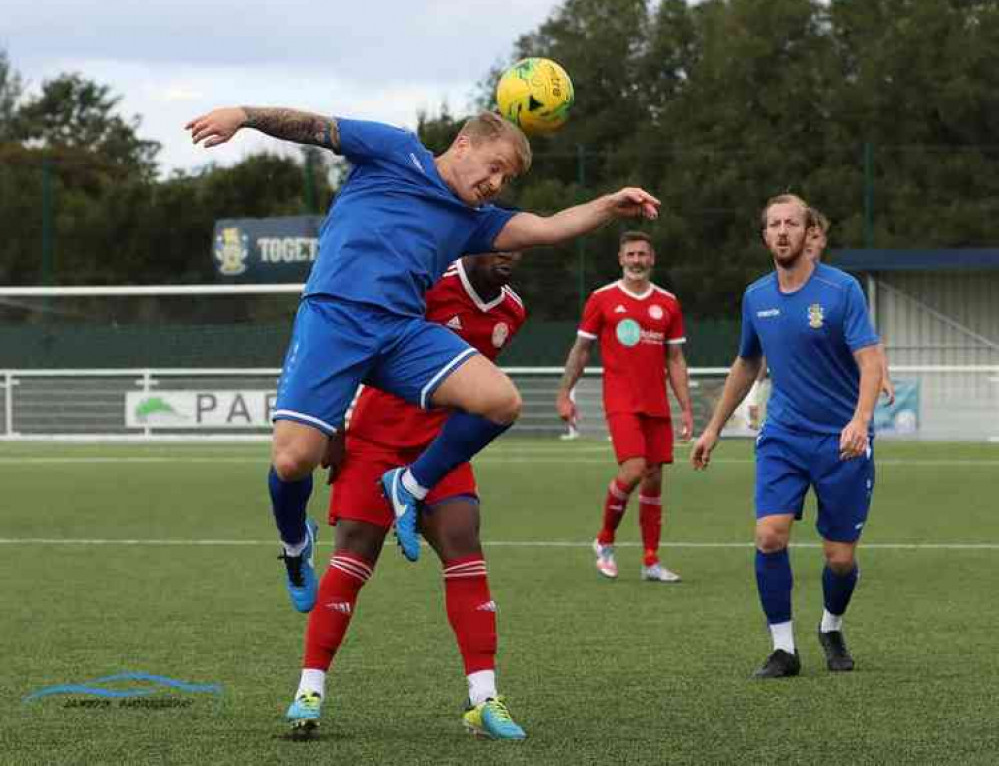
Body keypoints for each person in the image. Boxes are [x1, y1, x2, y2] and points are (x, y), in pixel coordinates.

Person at [187, 107, 659, 611]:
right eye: (494, 167)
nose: (496, 183)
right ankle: (295, 544)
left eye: (506, 177)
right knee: (294, 458)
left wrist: (611, 204)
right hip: (334, 320)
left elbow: (547, 227)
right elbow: (314, 128)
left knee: (501, 401)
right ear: (463, 143)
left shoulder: (473, 221)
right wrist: (242, 115)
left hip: (400, 333)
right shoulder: (396, 149)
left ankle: (409, 484)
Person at [285, 252, 528, 739]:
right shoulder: (426, 286)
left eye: (518, 246)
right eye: (498, 244)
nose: (510, 254)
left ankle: (484, 698)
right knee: (354, 552)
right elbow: (356, 342)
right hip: (375, 438)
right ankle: (309, 691)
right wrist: (333, 423)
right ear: (470, 244)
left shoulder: (512, 312)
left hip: (439, 451)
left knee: (464, 545)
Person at [690, 194, 883, 679]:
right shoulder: (756, 297)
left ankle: (831, 626)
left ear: (806, 231)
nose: (781, 231)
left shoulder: (842, 291)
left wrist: (860, 420)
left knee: (839, 559)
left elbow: (870, 360)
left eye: (790, 223)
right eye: (773, 224)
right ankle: (783, 650)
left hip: (842, 440)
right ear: (764, 236)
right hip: (784, 436)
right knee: (769, 536)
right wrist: (713, 427)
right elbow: (748, 362)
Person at [555, 231, 693, 583]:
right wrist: (564, 393)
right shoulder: (602, 299)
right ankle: (604, 541)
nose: (636, 260)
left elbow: (675, 360)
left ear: (652, 259)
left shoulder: (669, 303)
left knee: (654, 479)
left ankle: (650, 561)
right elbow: (581, 350)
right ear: (620, 259)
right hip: (620, 400)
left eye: (642, 254)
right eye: (630, 254)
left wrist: (687, 409)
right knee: (633, 470)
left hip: (656, 403)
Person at [745, 207, 894, 428]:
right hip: (786, 426)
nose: (810, 243)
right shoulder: (766, 294)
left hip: (839, 416)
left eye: (815, 237)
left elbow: (870, 345)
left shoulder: (841, 288)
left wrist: (882, 375)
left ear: (822, 241)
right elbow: (764, 351)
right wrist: (754, 392)